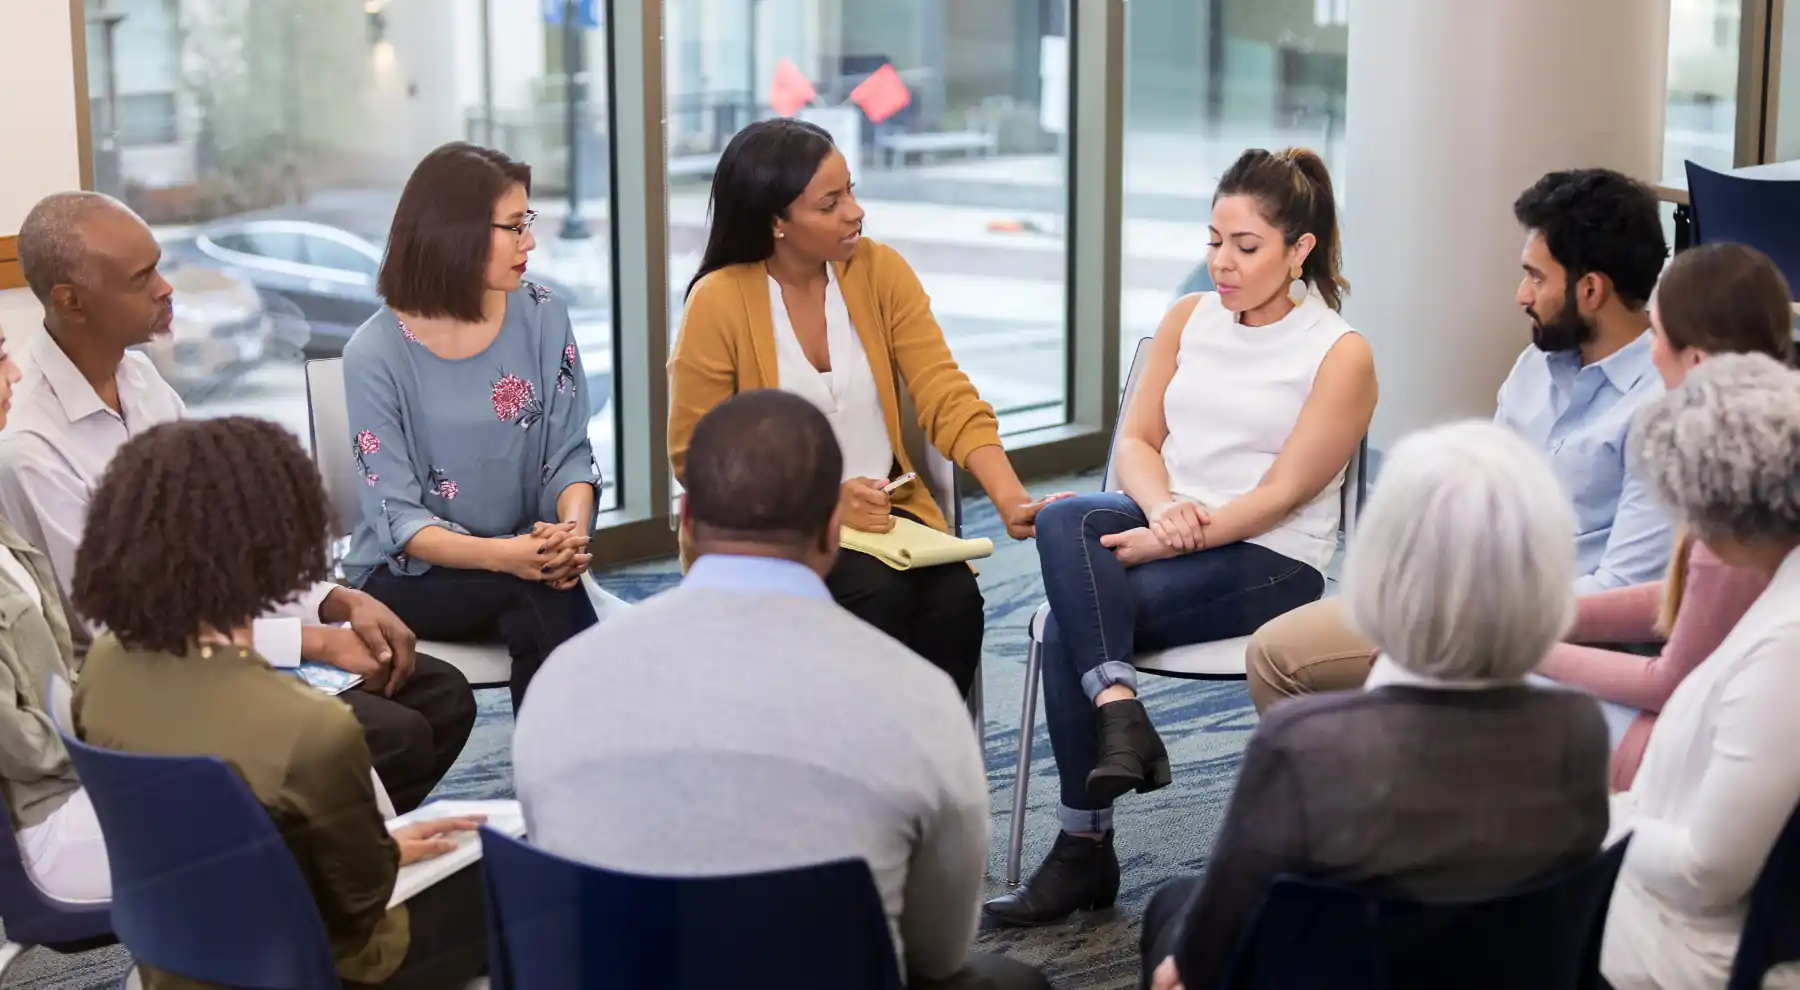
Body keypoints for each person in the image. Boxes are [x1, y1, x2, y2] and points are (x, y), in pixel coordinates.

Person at [516, 390, 1050, 990]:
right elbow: (935, 947)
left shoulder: (564, 679)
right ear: (831, 530)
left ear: (687, 519)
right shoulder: (917, 699)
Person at [985, 148, 1377, 927]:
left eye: (1246, 246)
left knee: (1071, 625)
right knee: (1067, 515)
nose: (1222, 264)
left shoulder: (1340, 353)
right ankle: (1120, 701)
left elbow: (1284, 493)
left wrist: (1172, 541)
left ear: (1299, 249)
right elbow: (1135, 444)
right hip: (1176, 515)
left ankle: (1082, 850)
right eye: (1213, 241)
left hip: (1272, 557)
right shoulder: (1186, 318)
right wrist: (1163, 511)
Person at [0, 192, 474, 814]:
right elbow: (122, 629)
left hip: (226, 640)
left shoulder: (142, 382)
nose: (167, 289)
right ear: (70, 300)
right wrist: (305, 642)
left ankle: (336, 852)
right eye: (142, 278)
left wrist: (334, 601)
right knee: (391, 737)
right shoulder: (29, 446)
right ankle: (312, 868)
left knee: (440, 695)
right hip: (156, 681)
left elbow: (220, 550)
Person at [1140, 420, 1610, 990]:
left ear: (1383, 568)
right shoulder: (1580, 729)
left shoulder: (1305, 743)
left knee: (1173, 906)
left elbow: (1209, 956)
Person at [71, 417, 488, 990]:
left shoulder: (103, 667)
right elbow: (360, 909)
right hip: (312, 969)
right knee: (511, 887)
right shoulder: (311, 729)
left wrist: (375, 849)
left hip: (174, 959)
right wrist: (381, 855)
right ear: (278, 546)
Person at [1244, 168, 1674, 714]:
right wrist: (1422, 602)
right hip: (1469, 601)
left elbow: (1624, 593)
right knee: (1275, 654)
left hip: (1561, 639)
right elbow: (1476, 510)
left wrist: (1463, 628)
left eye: (1536, 278)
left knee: (1403, 695)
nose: (1522, 294)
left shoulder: (1664, 414)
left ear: (1591, 290)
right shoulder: (1538, 364)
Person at [667, 118, 1064, 699]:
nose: (855, 212)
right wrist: (822, 502)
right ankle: (854, 771)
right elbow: (695, 454)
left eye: (850, 191)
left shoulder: (878, 271)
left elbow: (944, 391)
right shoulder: (719, 300)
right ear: (777, 222)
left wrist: (1011, 499)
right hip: (779, 532)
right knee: (872, 595)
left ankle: (923, 773)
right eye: (830, 203)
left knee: (955, 601)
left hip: (890, 519)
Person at [342, 143, 601, 711]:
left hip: (527, 560)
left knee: (540, 591)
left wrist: (570, 536)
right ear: (455, 234)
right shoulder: (375, 353)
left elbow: (569, 457)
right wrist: (509, 556)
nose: (530, 241)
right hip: (409, 578)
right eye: (514, 226)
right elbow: (399, 521)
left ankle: (568, 765)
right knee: (538, 594)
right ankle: (579, 764)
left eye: (527, 222)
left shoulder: (543, 315)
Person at [1535, 243, 1792, 790]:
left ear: (1695, 360)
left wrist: (1528, 648)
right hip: (1724, 722)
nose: (1649, 353)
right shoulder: (1767, 450)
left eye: (1655, 334)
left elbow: (1672, 678)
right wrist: (1541, 616)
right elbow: (1689, 599)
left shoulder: (1736, 494)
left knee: (1466, 693)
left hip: (1696, 752)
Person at [1601, 353, 1800, 990]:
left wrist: (1587, 818)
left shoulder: (1785, 650)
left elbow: (1705, 873)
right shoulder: (1779, 591)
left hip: (1678, 948)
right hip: (1658, 888)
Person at [0, 319, 105, 903]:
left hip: (81, 778)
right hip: (47, 822)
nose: (15, 373)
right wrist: (104, 738)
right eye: (0, 358)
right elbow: (14, 741)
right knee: (269, 817)